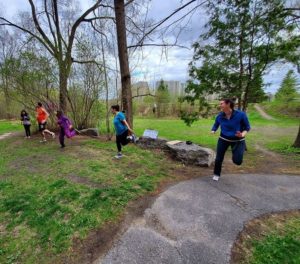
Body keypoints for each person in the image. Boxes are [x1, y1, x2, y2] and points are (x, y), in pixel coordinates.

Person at [211, 98, 250, 181]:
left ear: (228, 104)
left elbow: (247, 127)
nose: (220, 105)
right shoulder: (220, 116)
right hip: (223, 139)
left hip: (238, 140)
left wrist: (242, 134)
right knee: (218, 158)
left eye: (221, 103)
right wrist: (213, 130)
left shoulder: (241, 115)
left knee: (237, 161)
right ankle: (216, 174)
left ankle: (238, 152)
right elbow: (216, 124)